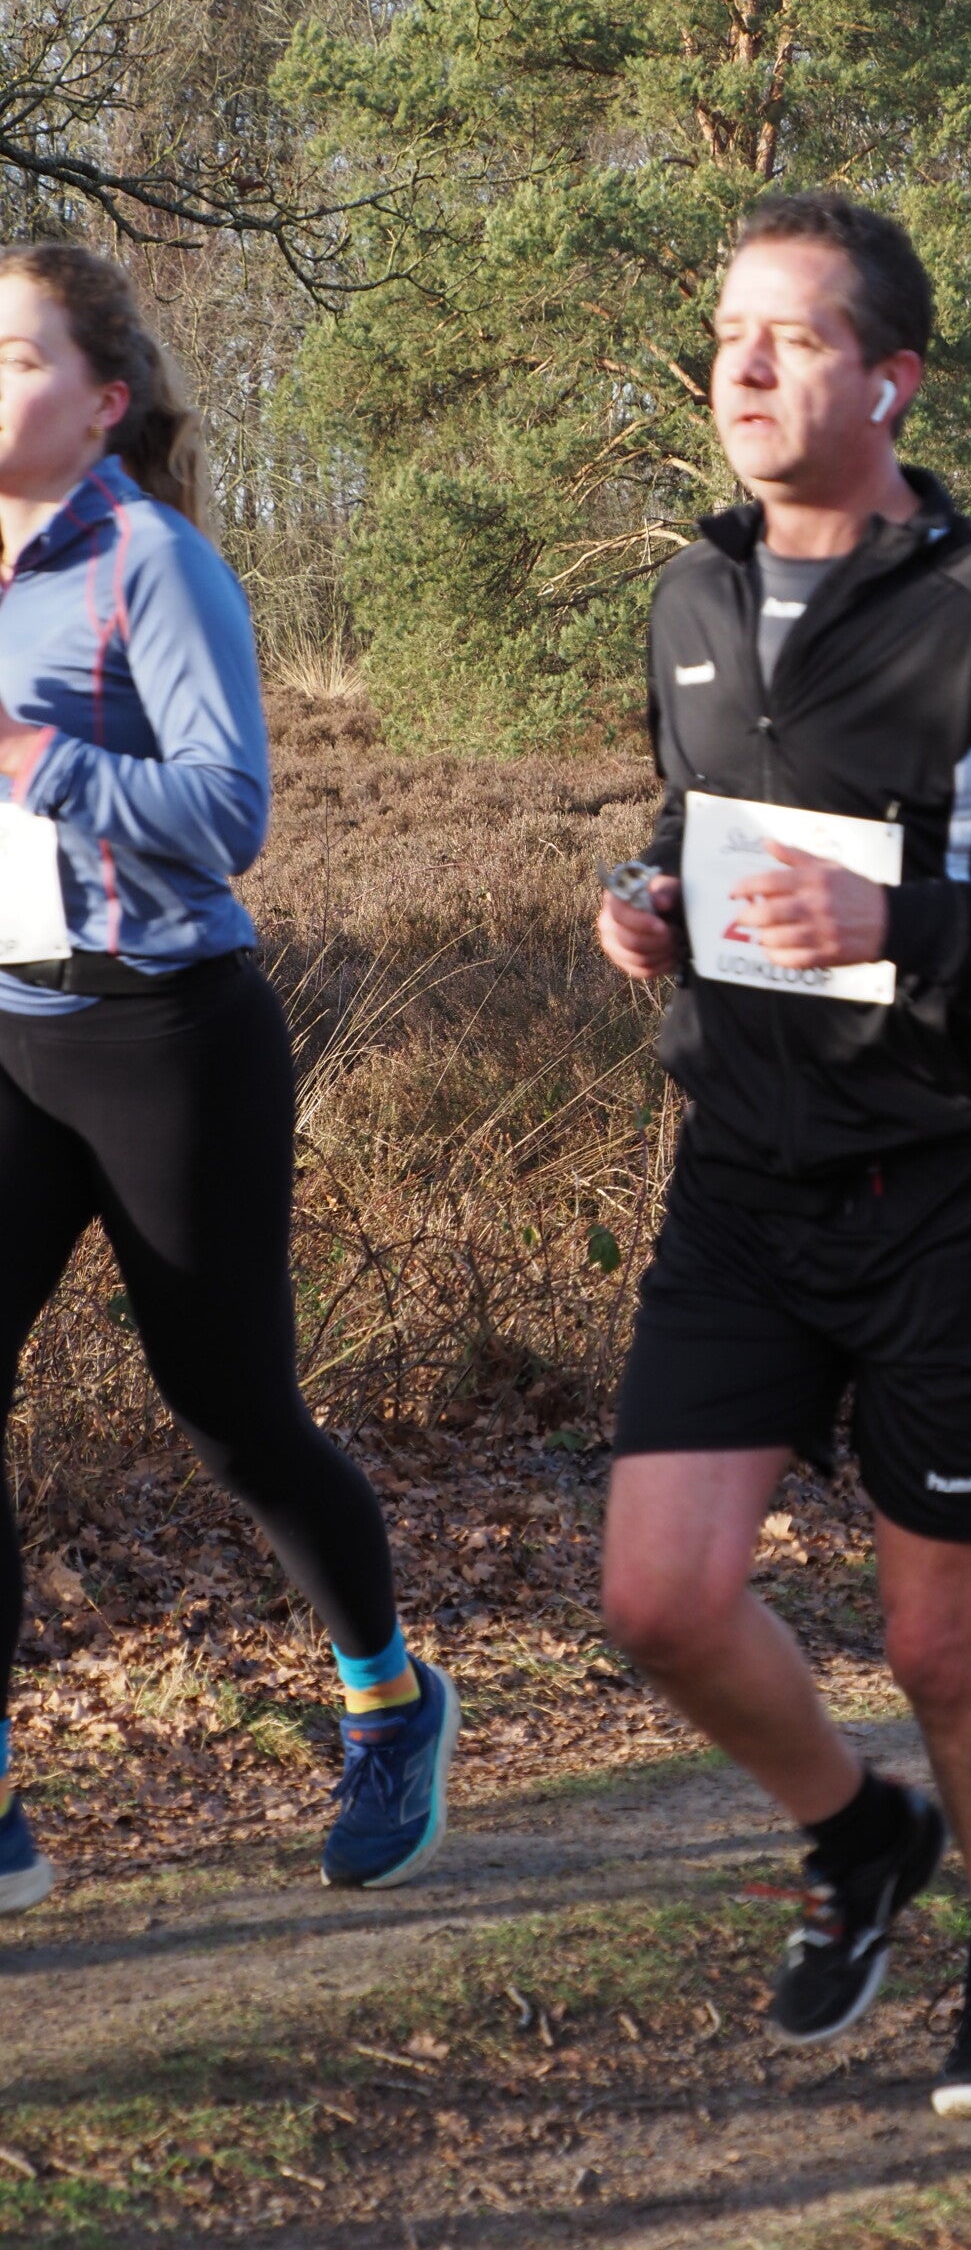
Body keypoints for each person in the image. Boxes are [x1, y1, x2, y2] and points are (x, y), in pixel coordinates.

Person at [596, 193, 971, 2115]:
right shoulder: (690, 600)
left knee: (941, 1640)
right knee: (659, 1600)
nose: (745, 368)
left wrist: (906, 929)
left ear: (892, 379)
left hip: (955, 1184)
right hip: (740, 1179)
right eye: (728, 336)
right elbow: (703, 816)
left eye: (791, 337)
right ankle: (860, 1833)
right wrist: (645, 902)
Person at [0, 246, 457, 1917]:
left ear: (102, 400)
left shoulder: (154, 564)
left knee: (235, 1421)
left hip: (167, 1035)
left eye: (16, 355)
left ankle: (389, 1702)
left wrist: (38, 760)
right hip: (7, 1025)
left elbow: (230, 809)